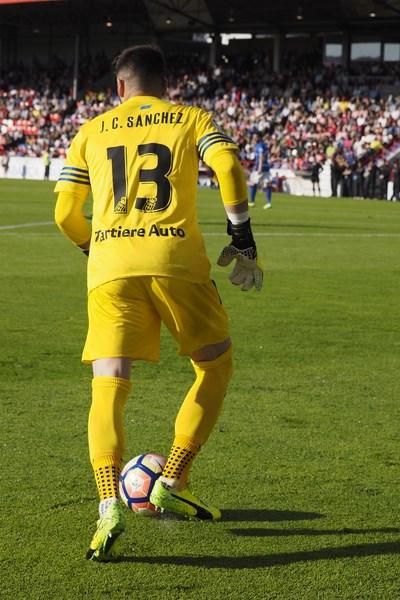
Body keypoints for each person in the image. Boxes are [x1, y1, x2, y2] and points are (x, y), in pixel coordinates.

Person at [54, 45, 263, 562]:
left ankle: (107, 503)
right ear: (163, 85)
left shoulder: (91, 129)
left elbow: (64, 213)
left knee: (109, 382)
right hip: (177, 261)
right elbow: (230, 166)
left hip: (110, 267)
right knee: (214, 366)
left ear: (120, 87)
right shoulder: (191, 118)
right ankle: (172, 476)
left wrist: (93, 246)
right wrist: (243, 240)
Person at [248, 132, 272, 209]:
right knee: (267, 184)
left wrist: (259, 167)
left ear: (259, 137)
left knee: (252, 183)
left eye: (255, 137)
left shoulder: (260, 145)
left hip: (260, 167)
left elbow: (261, 156)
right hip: (266, 167)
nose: (254, 138)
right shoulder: (264, 145)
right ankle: (268, 203)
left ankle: (251, 202)